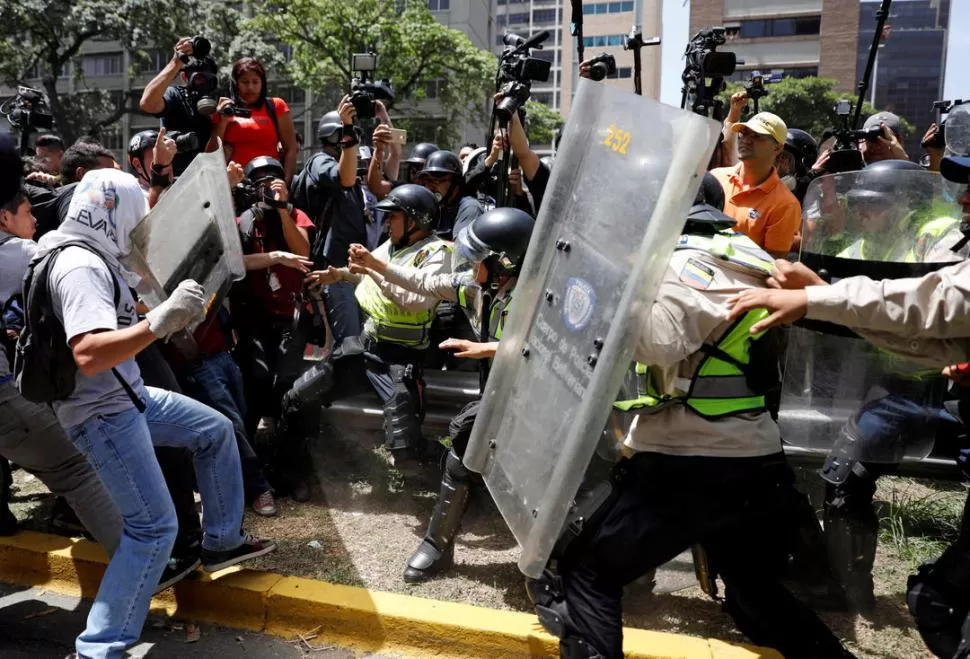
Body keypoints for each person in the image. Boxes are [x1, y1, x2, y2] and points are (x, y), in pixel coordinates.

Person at [527, 174, 855, 659]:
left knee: (589, 572)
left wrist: (611, 287)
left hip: (689, 460)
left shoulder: (685, 263)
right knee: (754, 594)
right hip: (754, 456)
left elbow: (656, 342)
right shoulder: (751, 255)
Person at [31, 167, 275, 659]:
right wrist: (159, 323)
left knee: (214, 430)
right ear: (112, 213)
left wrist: (158, 317)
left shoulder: (88, 254)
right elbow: (89, 351)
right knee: (153, 529)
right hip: (101, 413)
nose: (140, 231)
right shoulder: (80, 266)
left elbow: (108, 331)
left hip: (126, 396)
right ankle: (99, 648)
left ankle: (221, 542)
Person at [392, 206, 535, 582]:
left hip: (543, 411)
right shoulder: (484, 289)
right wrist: (373, 268)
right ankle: (437, 547)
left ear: (505, 262)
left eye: (479, 261)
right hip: (503, 402)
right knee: (461, 457)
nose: (471, 269)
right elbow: (423, 282)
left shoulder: (539, 296)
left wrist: (491, 350)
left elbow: (551, 349)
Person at [0, 183, 123, 554]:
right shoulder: (19, 251)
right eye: (27, 213)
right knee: (75, 470)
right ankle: (144, 563)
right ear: (4, 217)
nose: (36, 220)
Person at [286, 184, 452, 458]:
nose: (387, 222)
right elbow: (368, 275)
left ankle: (439, 472)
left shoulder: (437, 253)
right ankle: (296, 471)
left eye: (394, 216)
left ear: (415, 221)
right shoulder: (394, 245)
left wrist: (372, 268)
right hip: (362, 348)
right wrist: (340, 275)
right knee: (297, 397)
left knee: (404, 446)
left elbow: (414, 299)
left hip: (399, 358)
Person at [231, 156, 314, 496]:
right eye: (261, 181)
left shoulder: (295, 215)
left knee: (290, 392)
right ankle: (246, 472)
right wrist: (276, 258)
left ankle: (290, 470)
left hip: (290, 317)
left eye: (274, 179)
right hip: (254, 318)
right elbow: (234, 263)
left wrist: (282, 210)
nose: (269, 185)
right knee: (255, 384)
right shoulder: (244, 220)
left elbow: (304, 251)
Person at [290, 102, 367, 353]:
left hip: (352, 268)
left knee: (359, 340)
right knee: (348, 343)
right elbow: (343, 178)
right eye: (348, 135)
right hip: (333, 268)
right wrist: (348, 131)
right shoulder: (319, 162)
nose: (355, 141)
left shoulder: (352, 171)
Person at [709, 112, 802, 258]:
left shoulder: (786, 204)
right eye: (744, 133)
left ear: (777, 148)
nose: (746, 140)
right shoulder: (715, 177)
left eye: (757, 136)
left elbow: (772, 264)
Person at [209, 57, 299, 183]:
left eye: (255, 82)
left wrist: (285, 182)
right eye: (245, 82)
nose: (250, 87)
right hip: (234, 185)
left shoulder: (276, 106)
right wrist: (222, 121)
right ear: (235, 84)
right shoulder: (225, 109)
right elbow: (210, 155)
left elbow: (291, 148)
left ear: (263, 84)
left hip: (270, 185)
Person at [139, 37, 218, 176]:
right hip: (176, 180)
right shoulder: (175, 95)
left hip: (209, 179)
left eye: (210, 80)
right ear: (184, 77)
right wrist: (176, 61)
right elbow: (147, 104)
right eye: (199, 78)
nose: (204, 85)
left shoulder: (219, 101)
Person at [417, 150, 483, 240]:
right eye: (427, 181)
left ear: (455, 183)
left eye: (436, 181)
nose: (429, 187)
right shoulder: (432, 207)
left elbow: (460, 250)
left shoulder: (469, 208)